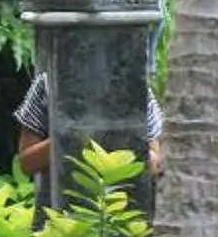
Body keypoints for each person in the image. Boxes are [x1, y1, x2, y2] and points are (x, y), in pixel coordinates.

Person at [14, 71, 164, 179]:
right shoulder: (49, 83)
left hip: (122, 209)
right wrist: (70, 137)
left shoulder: (135, 87)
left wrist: (126, 139)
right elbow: (27, 164)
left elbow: (155, 165)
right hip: (61, 212)